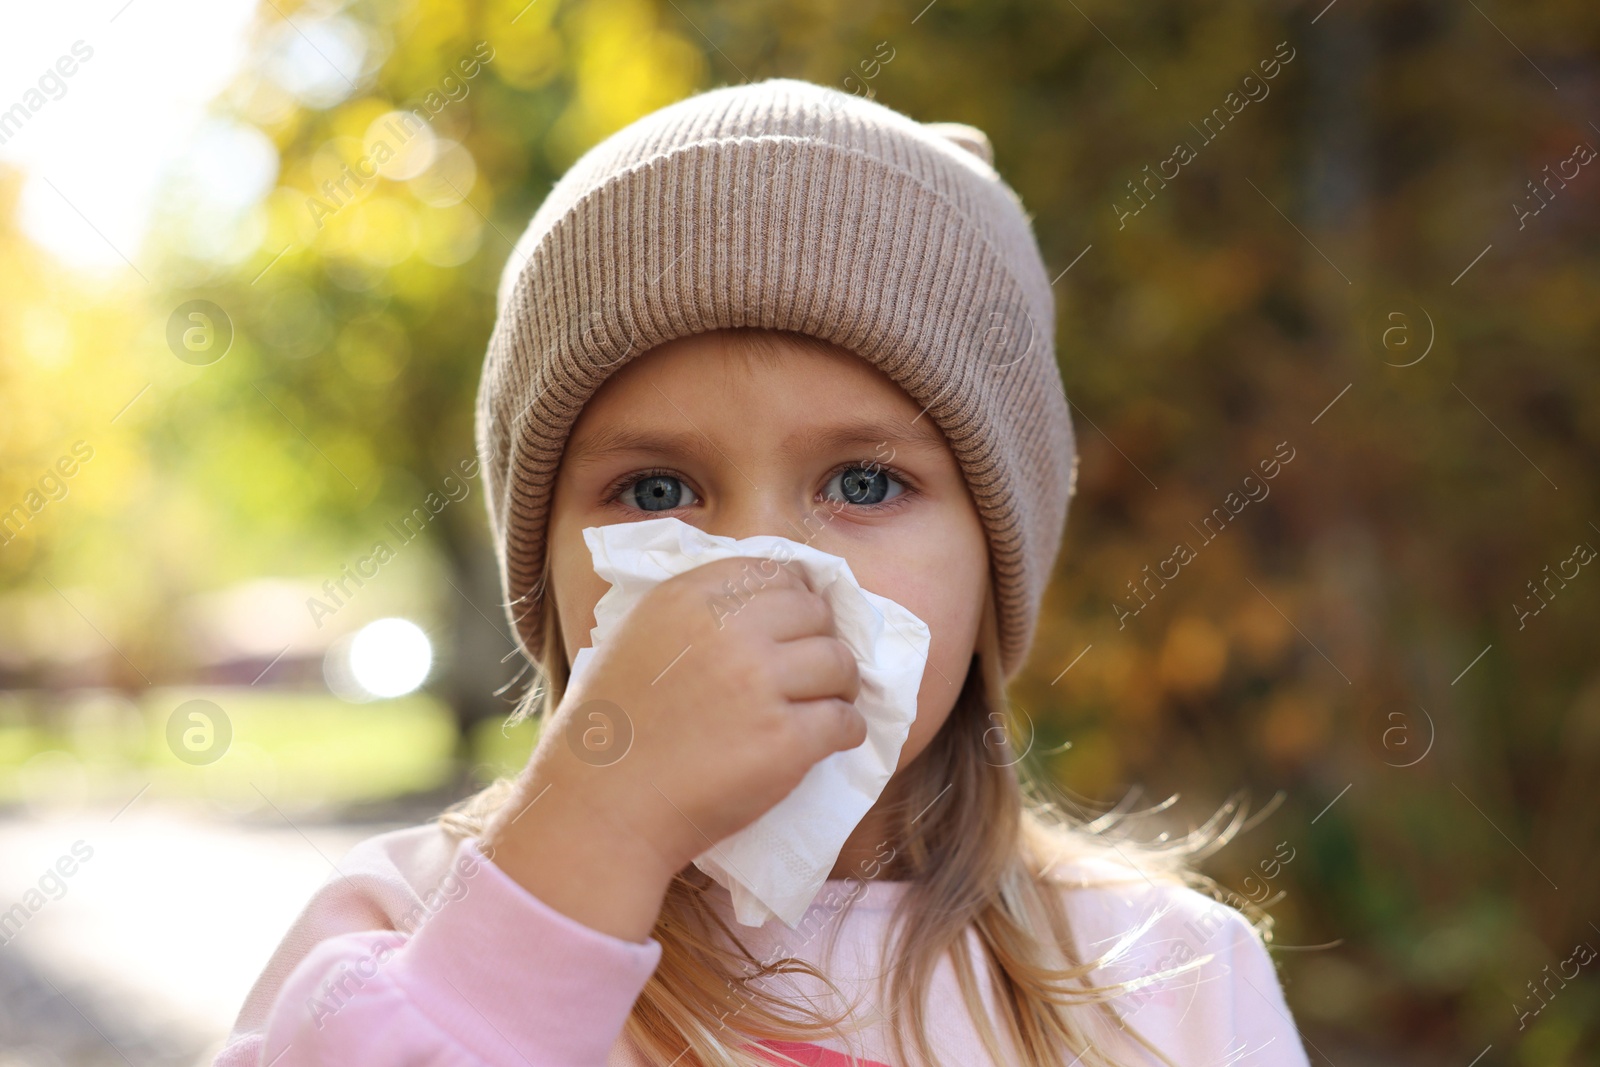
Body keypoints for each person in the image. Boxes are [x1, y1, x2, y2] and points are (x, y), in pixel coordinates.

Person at [214, 76, 1311, 1067]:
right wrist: (596, 828)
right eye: (656, 492)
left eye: (866, 485)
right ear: (542, 571)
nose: (755, 570)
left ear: (996, 559)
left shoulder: (1163, 976)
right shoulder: (404, 931)